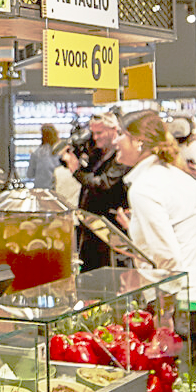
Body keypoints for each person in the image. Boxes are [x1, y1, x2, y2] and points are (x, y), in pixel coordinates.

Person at [116, 112, 196, 283]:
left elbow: (168, 258)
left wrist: (166, 301)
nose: (115, 141)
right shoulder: (174, 175)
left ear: (138, 141)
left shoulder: (144, 187)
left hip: (179, 295)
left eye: (121, 135)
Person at [71, 110, 130, 271]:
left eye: (99, 133)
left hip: (110, 227)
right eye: (93, 133)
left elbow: (103, 184)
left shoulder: (122, 156)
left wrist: (77, 172)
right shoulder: (97, 152)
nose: (95, 137)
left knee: (110, 273)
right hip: (91, 225)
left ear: (114, 130)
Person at [27, 124, 59, 190]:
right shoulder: (59, 153)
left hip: (38, 191)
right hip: (54, 190)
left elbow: (29, 175)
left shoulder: (36, 153)